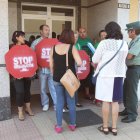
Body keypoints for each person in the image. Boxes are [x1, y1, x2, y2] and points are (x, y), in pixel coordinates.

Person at [92, 22, 128, 135]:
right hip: (118, 76)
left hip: (105, 76)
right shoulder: (124, 44)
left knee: (106, 102)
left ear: (108, 31)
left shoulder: (104, 43)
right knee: (115, 102)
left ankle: (105, 127)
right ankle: (115, 128)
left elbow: (95, 59)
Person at [50, 29, 82, 133]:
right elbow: (80, 62)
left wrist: (53, 74)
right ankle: (72, 125)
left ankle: (59, 126)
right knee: (71, 102)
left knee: (59, 102)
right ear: (71, 37)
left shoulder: (53, 48)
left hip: (56, 78)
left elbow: (51, 65)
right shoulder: (72, 48)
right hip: (69, 79)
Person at [31, 25, 57, 111]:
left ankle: (56, 105)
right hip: (41, 69)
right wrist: (36, 66)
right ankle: (45, 103)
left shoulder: (52, 42)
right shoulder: (36, 42)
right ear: (41, 31)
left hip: (51, 69)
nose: (48, 32)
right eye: (46, 30)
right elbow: (32, 55)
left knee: (53, 87)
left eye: (48, 30)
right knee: (42, 88)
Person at [119, 21, 140, 123]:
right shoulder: (133, 41)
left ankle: (132, 115)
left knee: (131, 92)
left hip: (135, 68)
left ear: (134, 31)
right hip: (130, 68)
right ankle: (127, 109)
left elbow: (129, 56)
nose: (128, 33)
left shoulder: (139, 41)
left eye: (129, 31)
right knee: (126, 89)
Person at [11, 31, 34, 121]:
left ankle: (28, 108)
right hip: (17, 75)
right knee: (20, 92)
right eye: (22, 37)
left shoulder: (27, 46)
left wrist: (32, 70)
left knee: (27, 91)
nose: (24, 38)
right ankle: (20, 111)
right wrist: (15, 74)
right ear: (17, 38)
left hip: (27, 73)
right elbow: (10, 61)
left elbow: (31, 58)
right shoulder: (11, 48)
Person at [77, 27, 95, 100]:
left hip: (88, 62)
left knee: (88, 77)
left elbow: (93, 51)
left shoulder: (89, 40)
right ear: (78, 33)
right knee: (78, 77)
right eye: (80, 32)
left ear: (86, 32)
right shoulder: (76, 40)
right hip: (79, 63)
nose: (82, 34)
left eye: (84, 32)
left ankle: (87, 93)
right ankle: (76, 95)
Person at [93, 30, 107, 107]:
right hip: (98, 66)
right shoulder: (97, 45)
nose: (104, 36)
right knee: (98, 84)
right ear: (100, 37)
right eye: (102, 35)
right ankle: (98, 100)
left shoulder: (109, 44)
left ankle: (104, 99)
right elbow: (94, 56)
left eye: (105, 35)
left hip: (106, 67)